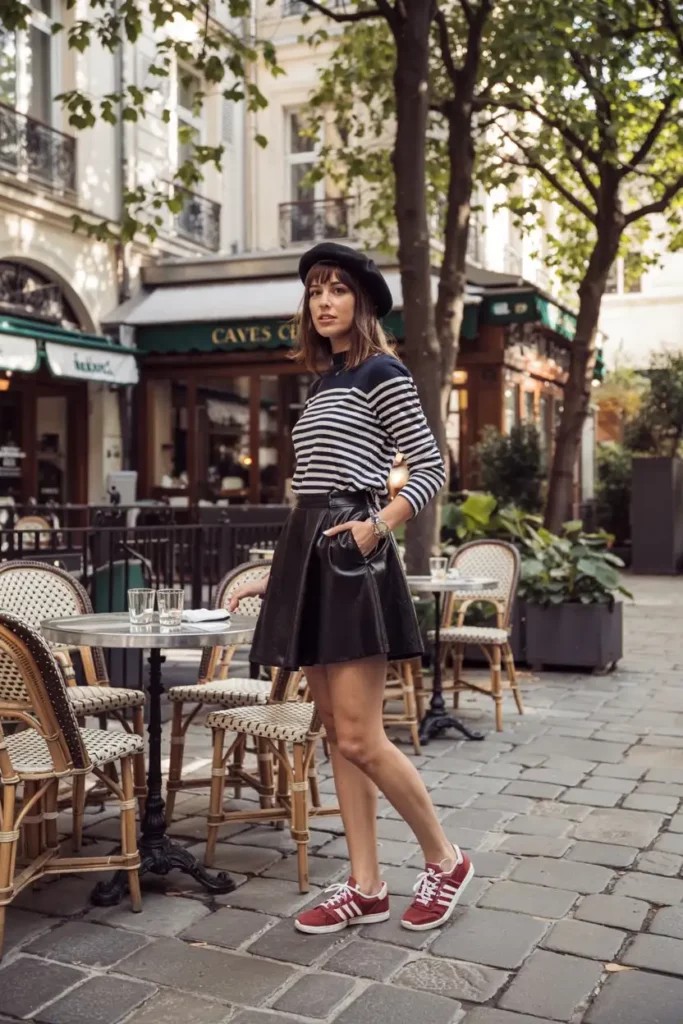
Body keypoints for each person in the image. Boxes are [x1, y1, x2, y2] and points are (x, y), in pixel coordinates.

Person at [229, 242, 474, 934]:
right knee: (336, 732)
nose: (324, 301)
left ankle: (445, 858)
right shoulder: (324, 382)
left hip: (352, 555)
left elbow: (430, 465)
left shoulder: (382, 372)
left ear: (361, 302)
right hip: (311, 552)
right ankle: (366, 885)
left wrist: (378, 526)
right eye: (315, 291)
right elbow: (308, 490)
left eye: (337, 289)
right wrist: (279, 575)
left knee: (363, 736)